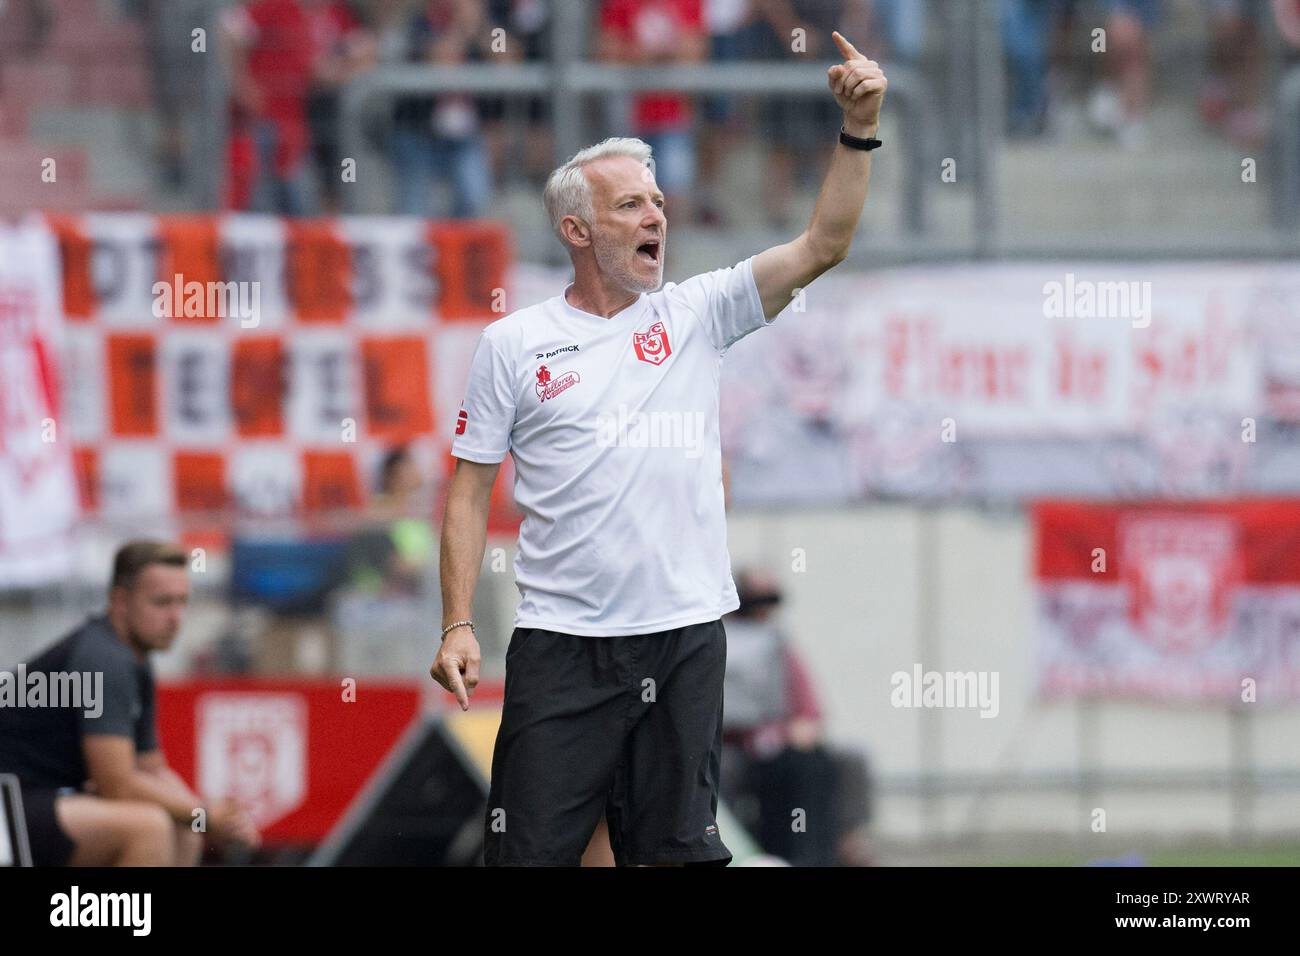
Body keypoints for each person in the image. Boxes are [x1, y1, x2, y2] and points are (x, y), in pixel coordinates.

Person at [430, 30, 887, 867]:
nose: (657, 214)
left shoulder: (696, 313)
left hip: (682, 640)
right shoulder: (515, 343)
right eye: (632, 204)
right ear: (577, 227)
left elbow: (825, 244)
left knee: (678, 852)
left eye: (658, 199)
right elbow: (466, 492)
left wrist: (858, 130)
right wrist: (458, 622)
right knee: (524, 857)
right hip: (561, 646)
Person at [0, 541, 261, 866]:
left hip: (40, 799)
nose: (176, 617)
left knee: (183, 827)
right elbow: (117, 783)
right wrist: (206, 815)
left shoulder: (134, 658)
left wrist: (203, 815)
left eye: (182, 602)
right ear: (120, 600)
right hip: (10, 800)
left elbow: (151, 769)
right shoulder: (103, 658)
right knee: (148, 828)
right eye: (162, 602)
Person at [597, 0, 710, 225]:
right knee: (625, 195)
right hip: (629, 116)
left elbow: (696, 52)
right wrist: (654, 55)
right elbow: (607, 50)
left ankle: (670, 256)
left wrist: (648, 56)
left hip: (673, 114)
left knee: (674, 194)